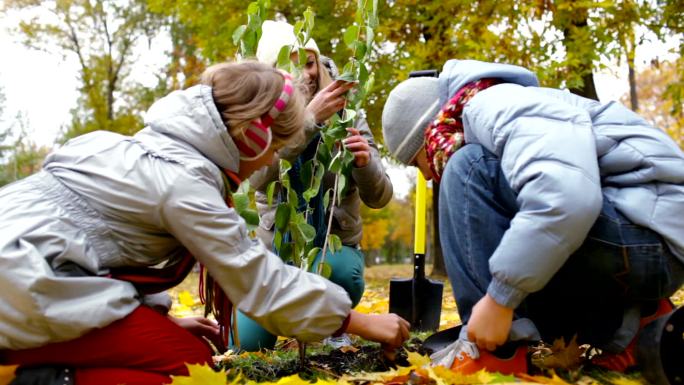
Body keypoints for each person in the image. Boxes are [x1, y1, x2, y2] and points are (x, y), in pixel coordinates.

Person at [0, 61, 409, 385]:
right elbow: (259, 281)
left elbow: (90, 249)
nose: (270, 161)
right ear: (254, 138)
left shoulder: (118, 145)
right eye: (276, 148)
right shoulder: (183, 183)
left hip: (27, 282)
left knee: (180, 347)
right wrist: (362, 321)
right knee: (189, 368)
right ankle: (34, 378)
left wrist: (160, 317)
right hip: (18, 291)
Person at [381, 59, 684, 375]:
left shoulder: (492, 103)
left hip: (647, 239)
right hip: (648, 239)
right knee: (522, 245)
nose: (427, 176)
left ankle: (495, 353)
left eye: (417, 164)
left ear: (427, 134)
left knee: (467, 167)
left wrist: (499, 299)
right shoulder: (497, 105)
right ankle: (632, 325)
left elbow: (566, 198)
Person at [230, 20, 394, 351]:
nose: (306, 73)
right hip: (276, 252)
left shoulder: (348, 114)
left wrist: (365, 164)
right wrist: (307, 122)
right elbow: (256, 179)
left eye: (310, 62)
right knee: (248, 343)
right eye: (293, 64)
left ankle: (332, 325)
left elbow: (380, 197)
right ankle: (296, 319)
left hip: (332, 247)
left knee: (343, 272)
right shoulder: (261, 119)